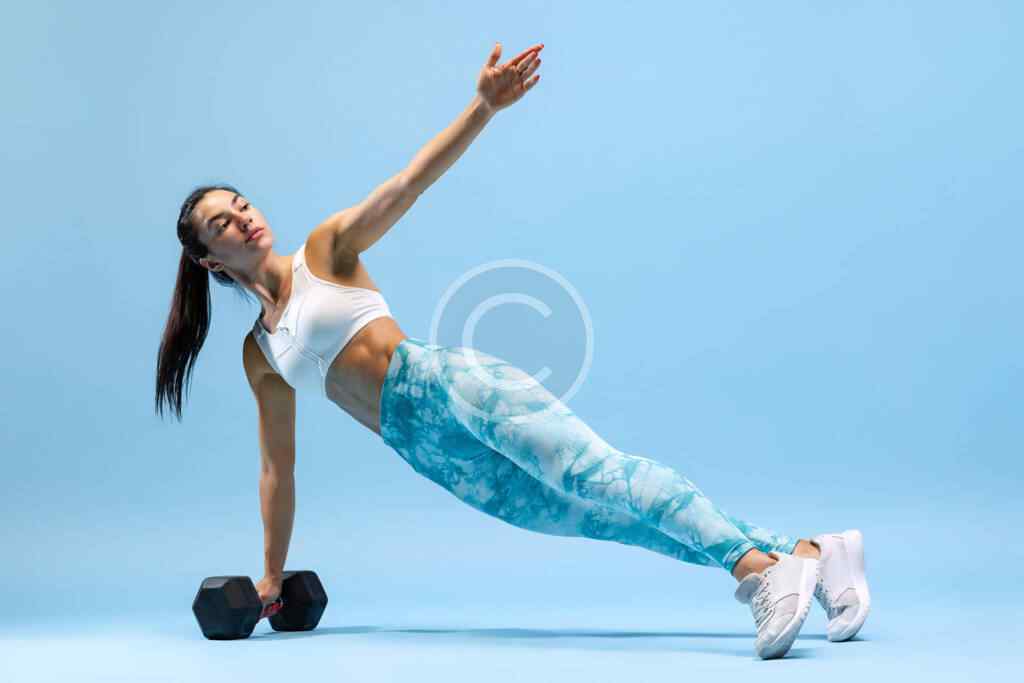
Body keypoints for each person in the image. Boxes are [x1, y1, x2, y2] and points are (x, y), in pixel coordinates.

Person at [155, 42, 869, 659]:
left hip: (444, 385)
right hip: (423, 448)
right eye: (222, 223)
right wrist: (271, 576)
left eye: (240, 204)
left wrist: (483, 108)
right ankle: (811, 554)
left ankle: (755, 571)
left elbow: (407, 184)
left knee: (599, 476)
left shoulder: (324, 250)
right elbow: (276, 470)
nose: (242, 219)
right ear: (209, 260)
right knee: (602, 516)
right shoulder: (261, 353)